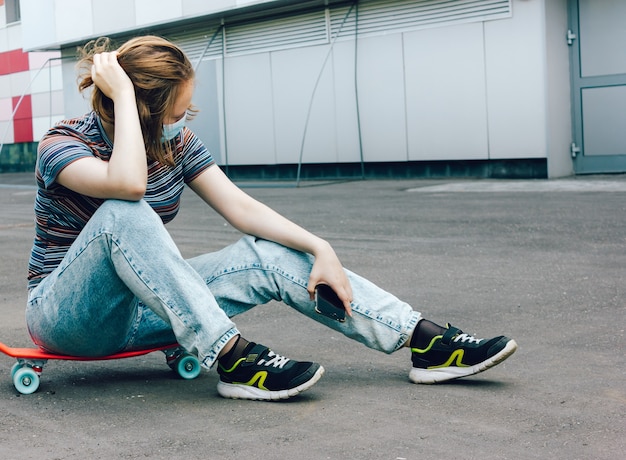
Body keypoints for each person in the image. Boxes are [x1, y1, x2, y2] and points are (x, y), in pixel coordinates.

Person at [26, 36, 517, 401]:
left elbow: (242, 209)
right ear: (143, 109)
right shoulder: (61, 145)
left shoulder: (174, 145)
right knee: (122, 212)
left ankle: (423, 341)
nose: (186, 117)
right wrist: (127, 104)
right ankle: (232, 359)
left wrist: (320, 247)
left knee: (269, 253)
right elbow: (127, 185)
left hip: (152, 310)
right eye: (178, 110)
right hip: (66, 316)